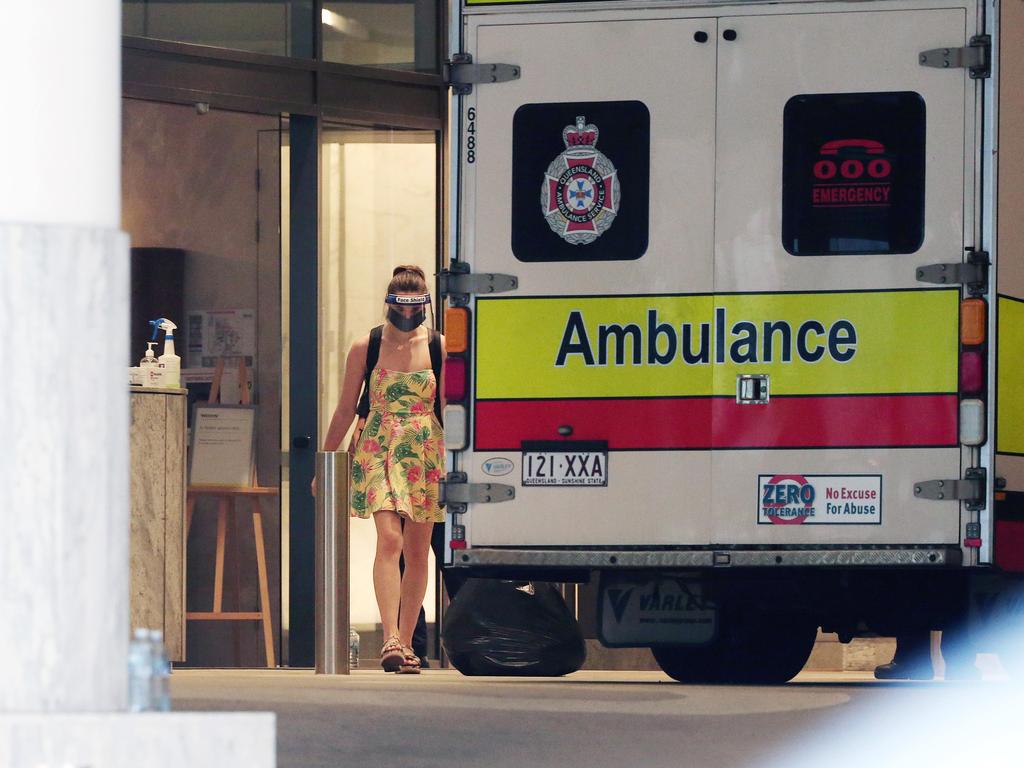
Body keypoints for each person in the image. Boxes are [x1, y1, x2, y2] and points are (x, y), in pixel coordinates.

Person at [319, 265, 445, 674]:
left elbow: (448, 409)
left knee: (418, 549)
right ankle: (390, 635)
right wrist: (327, 461)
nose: (407, 318)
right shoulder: (367, 345)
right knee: (389, 538)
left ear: (424, 305)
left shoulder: (441, 347)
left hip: (426, 446)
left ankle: (407, 643)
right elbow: (344, 409)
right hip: (378, 445)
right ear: (390, 304)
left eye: (415, 308)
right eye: (400, 308)